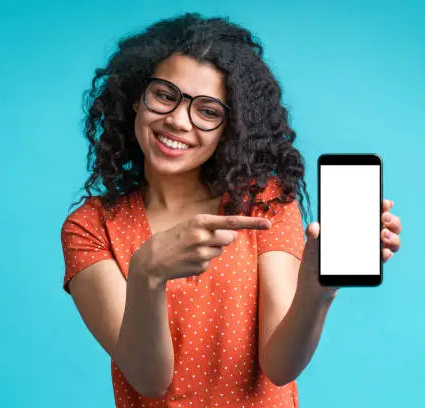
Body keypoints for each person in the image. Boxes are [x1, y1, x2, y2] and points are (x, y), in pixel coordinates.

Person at [60, 12, 402, 408]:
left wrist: (316, 289)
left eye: (207, 111)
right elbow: (149, 380)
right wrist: (147, 274)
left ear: (229, 127)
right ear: (138, 95)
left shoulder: (264, 202)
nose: (177, 120)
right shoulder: (91, 227)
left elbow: (280, 367)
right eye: (165, 95)